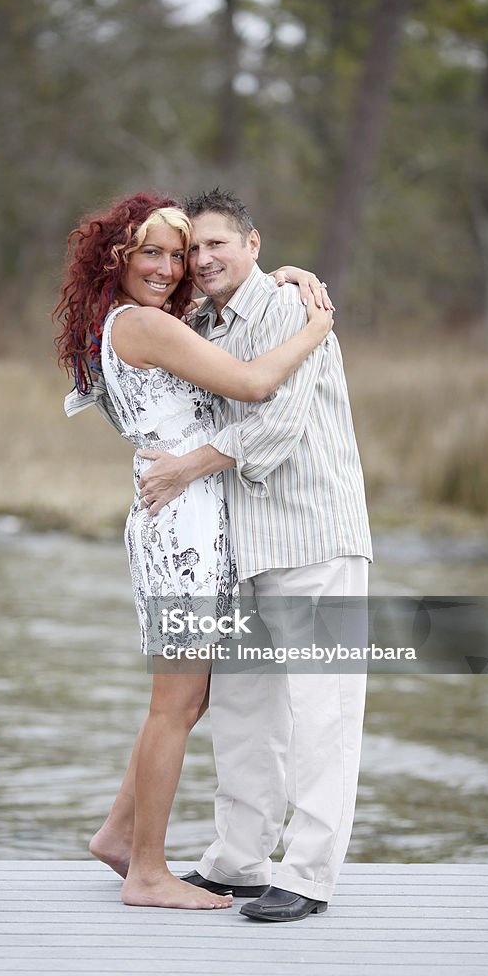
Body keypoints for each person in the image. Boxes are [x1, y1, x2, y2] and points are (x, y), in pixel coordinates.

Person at [53, 192, 333, 911]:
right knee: (175, 703)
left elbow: (232, 319)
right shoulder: (143, 324)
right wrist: (318, 324)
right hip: (178, 527)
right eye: (152, 251)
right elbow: (252, 381)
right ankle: (147, 871)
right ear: (116, 255)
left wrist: (285, 275)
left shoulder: (142, 322)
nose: (169, 266)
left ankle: (119, 833)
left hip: (191, 517)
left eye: (177, 255)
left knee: (189, 696)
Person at [137, 188, 373, 923]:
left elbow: (276, 425)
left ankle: (307, 875)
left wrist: (185, 468)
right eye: (192, 249)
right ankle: (236, 858)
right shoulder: (201, 319)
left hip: (313, 537)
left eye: (216, 245)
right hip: (240, 549)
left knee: (320, 712)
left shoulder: (288, 308)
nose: (202, 259)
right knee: (244, 712)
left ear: (252, 244)